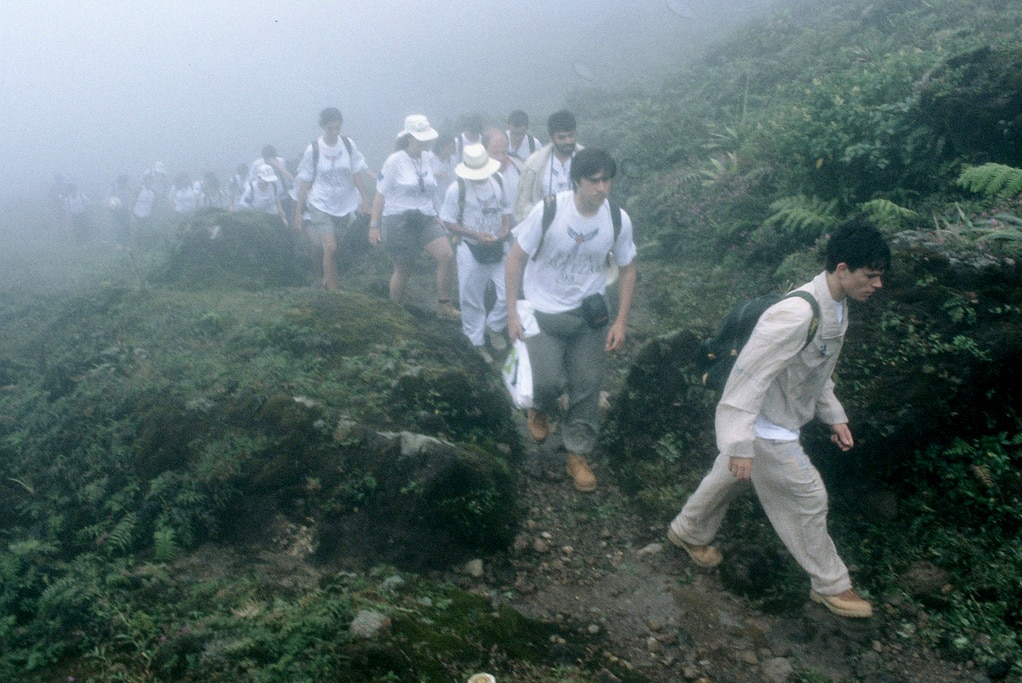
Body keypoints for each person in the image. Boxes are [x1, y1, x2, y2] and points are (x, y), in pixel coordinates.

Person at [666, 219, 891, 619]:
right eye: (870, 276)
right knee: (809, 499)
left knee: (728, 479)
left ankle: (687, 532)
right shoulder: (797, 314)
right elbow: (747, 378)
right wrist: (738, 442)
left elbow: (816, 370)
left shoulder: (836, 308)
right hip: (766, 427)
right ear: (842, 269)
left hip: (781, 420)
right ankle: (831, 585)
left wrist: (833, 416)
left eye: (879, 277)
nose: (877, 285)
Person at [505, 148, 637, 492]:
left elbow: (627, 269)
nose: (602, 187)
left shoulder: (617, 219)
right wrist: (511, 314)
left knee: (587, 386)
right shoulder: (548, 211)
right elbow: (514, 260)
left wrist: (621, 321)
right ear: (577, 180)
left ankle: (577, 453)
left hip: (589, 315)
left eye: (607, 179)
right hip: (544, 311)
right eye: (594, 180)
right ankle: (540, 407)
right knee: (547, 382)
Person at [369, 115, 459, 320]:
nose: (424, 143)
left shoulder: (427, 158)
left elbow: (429, 191)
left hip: (425, 216)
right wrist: (374, 225)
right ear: (409, 138)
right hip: (399, 219)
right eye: (420, 139)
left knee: (446, 255)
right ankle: (396, 309)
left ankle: (444, 304)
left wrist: (437, 214)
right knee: (404, 267)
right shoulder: (395, 160)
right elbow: (380, 193)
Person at [440, 144, 512, 362]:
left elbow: (506, 211)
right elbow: (448, 221)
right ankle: (476, 341)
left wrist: (503, 232)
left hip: (499, 246)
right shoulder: (457, 189)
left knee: (509, 290)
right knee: (472, 297)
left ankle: (494, 327)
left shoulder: (499, 181)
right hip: (471, 248)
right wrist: (475, 234)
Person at [293, 107, 374, 291]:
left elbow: (356, 173)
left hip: (344, 205)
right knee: (330, 246)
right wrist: (298, 212)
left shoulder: (347, 144)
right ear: (322, 126)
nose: (334, 132)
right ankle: (334, 291)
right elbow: (304, 181)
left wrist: (366, 200)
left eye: (338, 128)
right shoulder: (313, 149)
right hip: (320, 203)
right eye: (330, 128)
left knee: (334, 248)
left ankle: (326, 279)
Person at [513, 110, 583, 225]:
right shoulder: (534, 164)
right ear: (550, 137)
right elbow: (523, 203)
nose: (568, 141)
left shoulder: (587, 161)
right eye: (562, 137)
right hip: (545, 230)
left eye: (571, 136)